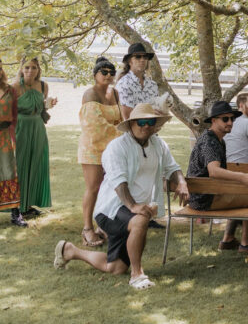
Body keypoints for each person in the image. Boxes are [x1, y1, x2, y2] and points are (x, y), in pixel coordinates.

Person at [53, 103, 189, 290]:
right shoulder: (116, 147)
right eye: (140, 121)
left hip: (132, 209)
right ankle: (137, 274)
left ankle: (70, 251)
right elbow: (119, 182)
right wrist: (133, 207)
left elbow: (173, 168)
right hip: (111, 209)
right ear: (131, 124)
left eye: (150, 121)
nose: (145, 126)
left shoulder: (159, 144)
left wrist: (181, 183)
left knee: (115, 267)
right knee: (140, 220)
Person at [187, 101, 248, 254]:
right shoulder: (210, 141)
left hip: (209, 193)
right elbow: (214, 171)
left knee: (244, 193)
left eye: (232, 119)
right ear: (213, 120)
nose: (230, 122)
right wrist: (242, 177)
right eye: (225, 119)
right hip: (203, 198)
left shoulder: (217, 139)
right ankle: (246, 244)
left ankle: (228, 239)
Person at [77, 57, 123, 247]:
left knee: (111, 187)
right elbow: (95, 126)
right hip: (93, 148)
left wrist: (119, 132)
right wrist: (121, 132)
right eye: (103, 72)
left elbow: (121, 118)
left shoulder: (116, 93)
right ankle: (87, 228)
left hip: (112, 148)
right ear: (95, 75)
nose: (108, 75)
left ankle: (104, 225)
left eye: (111, 72)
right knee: (94, 187)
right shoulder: (90, 94)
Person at [15, 58, 56, 218]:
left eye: (34, 67)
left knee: (36, 165)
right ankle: (17, 206)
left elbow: (41, 109)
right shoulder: (15, 86)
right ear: (21, 68)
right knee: (21, 165)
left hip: (38, 128)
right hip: (20, 128)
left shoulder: (44, 86)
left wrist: (49, 104)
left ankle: (29, 205)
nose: (30, 71)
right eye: (27, 67)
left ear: (38, 69)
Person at [0, 59, 25, 226]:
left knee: (9, 171)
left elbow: (15, 116)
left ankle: (15, 214)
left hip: (4, 136)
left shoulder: (9, 90)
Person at [114, 43, 158, 121]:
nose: (142, 60)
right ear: (129, 61)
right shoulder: (124, 84)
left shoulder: (153, 85)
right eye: (138, 57)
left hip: (152, 131)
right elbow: (128, 118)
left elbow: (158, 113)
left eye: (145, 57)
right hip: (131, 132)